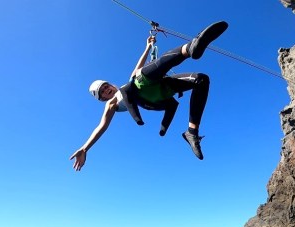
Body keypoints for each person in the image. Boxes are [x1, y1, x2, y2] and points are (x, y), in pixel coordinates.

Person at [70, 21, 228, 171]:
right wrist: (85, 148)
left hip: (159, 87)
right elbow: (101, 127)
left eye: (106, 86)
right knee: (139, 77)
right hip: (149, 98)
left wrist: (148, 47)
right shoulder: (111, 103)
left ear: (111, 84)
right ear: (102, 98)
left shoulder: (127, 83)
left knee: (201, 80)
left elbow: (138, 65)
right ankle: (189, 49)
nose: (107, 90)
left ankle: (192, 132)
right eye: (103, 92)